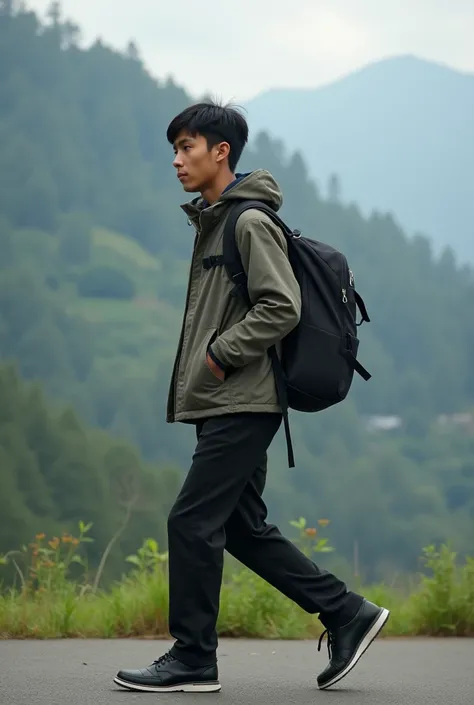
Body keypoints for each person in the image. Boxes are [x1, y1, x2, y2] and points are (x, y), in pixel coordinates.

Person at [114, 101, 389, 694]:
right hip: (226, 398)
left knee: (190, 521)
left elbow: (281, 305)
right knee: (239, 526)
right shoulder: (217, 220)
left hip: (243, 398)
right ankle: (347, 612)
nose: (177, 160)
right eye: (175, 148)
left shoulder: (247, 222)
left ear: (222, 153)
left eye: (188, 147)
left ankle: (193, 658)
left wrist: (219, 355)